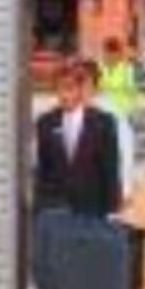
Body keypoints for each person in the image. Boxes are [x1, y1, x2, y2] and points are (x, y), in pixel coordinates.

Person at [34, 56, 129, 218]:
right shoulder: (46, 122)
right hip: (56, 206)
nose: (63, 95)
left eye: (69, 89)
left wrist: (113, 206)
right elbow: (43, 168)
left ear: (80, 90)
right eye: (58, 89)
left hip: (93, 205)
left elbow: (110, 166)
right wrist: (40, 204)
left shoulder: (103, 122)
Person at [93, 30, 145, 189]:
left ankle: (127, 180)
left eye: (114, 53)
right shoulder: (98, 68)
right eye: (108, 52)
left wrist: (132, 111)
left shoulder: (126, 69)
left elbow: (133, 92)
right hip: (103, 113)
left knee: (125, 148)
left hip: (123, 113)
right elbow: (93, 89)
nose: (110, 56)